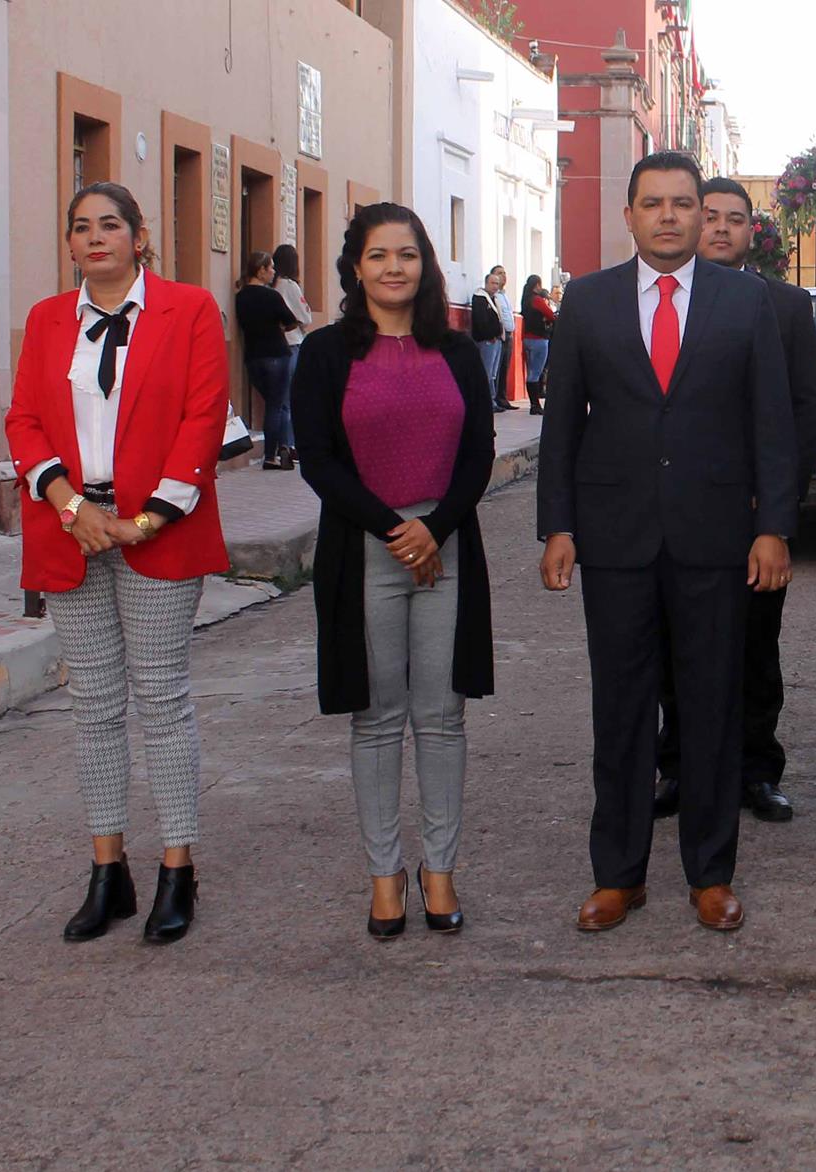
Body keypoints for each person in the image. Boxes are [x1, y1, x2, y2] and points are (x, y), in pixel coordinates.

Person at [539, 152, 797, 934]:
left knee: (713, 709)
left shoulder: (745, 302)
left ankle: (710, 874)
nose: (670, 216)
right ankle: (618, 875)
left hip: (715, 541)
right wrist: (558, 526)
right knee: (619, 712)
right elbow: (561, 428)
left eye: (683, 203)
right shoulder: (585, 302)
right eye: (653, 203)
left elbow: (773, 426)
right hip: (615, 541)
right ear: (629, 216)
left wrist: (773, 527)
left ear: (700, 212)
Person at [6, 181, 230, 944]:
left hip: (157, 532)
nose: (94, 237)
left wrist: (144, 519)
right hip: (70, 530)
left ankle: (177, 868)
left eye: (110, 224)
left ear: (139, 237)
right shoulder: (45, 321)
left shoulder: (191, 310)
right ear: (69, 245)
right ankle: (109, 872)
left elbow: (204, 416)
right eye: (80, 227)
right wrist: (74, 508)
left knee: (161, 699)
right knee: (94, 706)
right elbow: (25, 419)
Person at [294, 204, 495, 939]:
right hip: (363, 548)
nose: (393, 269)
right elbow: (317, 458)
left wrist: (433, 527)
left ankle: (439, 871)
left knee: (441, 718)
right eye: (378, 255)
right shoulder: (325, 355)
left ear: (425, 265)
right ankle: (386, 876)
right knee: (377, 719)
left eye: (406, 255)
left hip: (444, 547)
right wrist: (392, 528)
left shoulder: (459, 352)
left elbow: (479, 454)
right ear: (355, 267)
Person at [651, 176, 816, 824]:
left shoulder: (784, 306)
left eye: (736, 219)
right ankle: (676, 769)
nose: (722, 228)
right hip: (680, 511)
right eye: (713, 216)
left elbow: (808, 408)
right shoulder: (661, 303)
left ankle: (758, 771)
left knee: (757, 646)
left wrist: (778, 502)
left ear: (752, 231)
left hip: (755, 511)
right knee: (673, 644)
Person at [234, 250, 300, 470]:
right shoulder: (271, 296)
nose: (273, 272)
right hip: (277, 353)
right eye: (270, 268)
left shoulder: (241, 296)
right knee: (277, 405)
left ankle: (284, 449)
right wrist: (279, 326)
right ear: (260, 270)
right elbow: (291, 321)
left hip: (253, 356)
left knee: (277, 404)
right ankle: (272, 454)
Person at [272, 243, 313, 405]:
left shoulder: (271, 285)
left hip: (275, 343)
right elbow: (305, 316)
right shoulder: (290, 286)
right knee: (289, 397)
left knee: (276, 398)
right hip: (292, 342)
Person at [468, 267, 510, 413]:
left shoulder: (495, 299)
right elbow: (481, 321)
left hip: (497, 340)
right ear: (486, 283)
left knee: (493, 373)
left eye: (497, 284)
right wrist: (490, 335)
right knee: (487, 371)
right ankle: (487, 401)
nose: (495, 286)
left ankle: (492, 399)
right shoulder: (480, 298)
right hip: (487, 340)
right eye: (493, 283)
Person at [520, 274, 554, 415]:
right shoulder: (537, 300)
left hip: (527, 338)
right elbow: (551, 314)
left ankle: (533, 403)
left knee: (531, 372)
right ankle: (535, 405)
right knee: (536, 372)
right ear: (537, 285)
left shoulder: (525, 300)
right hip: (539, 339)